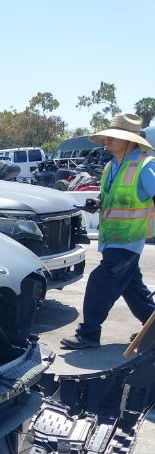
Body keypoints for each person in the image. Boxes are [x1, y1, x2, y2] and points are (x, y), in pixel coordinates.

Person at [60, 113, 155, 350]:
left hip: (128, 242)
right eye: (107, 136)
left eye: (114, 137)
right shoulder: (111, 166)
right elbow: (113, 197)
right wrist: (98, 202)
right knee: (133, 289)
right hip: (112, 241)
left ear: (130, 140)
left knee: (99, 284)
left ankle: (89, 334)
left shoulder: (145, 165)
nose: (107, 140)